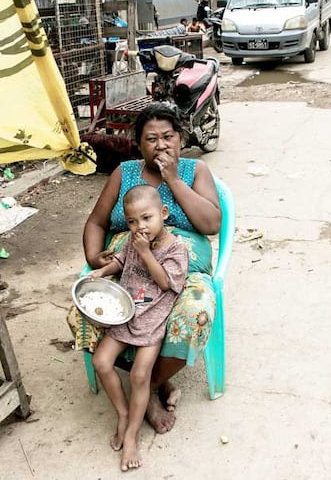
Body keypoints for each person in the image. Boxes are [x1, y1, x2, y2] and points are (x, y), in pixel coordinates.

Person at [68, 103, 221, 435]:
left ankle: (148, 386)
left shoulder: (196, 171)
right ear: (139, 143)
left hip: (182, 274)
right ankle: (149, 384)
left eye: (168, 137)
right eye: (151, 139)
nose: (161, 145)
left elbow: (211, 224)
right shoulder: (126, 173)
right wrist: (96, 260)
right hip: (130, 271)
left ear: (181, 139)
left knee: (195, 313)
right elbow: (96, 221)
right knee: (83, 312)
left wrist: (174, 180)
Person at [89, 185, 189, 472]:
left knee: (140, 374)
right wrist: (102, 270)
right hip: (126, 313)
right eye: (132, 221)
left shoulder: (176, 248)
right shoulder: (132, 242)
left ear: (163, 214)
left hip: (151, 319)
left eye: (146, 218)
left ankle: (132, 434)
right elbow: (120, 260)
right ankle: (122, 414)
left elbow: (164, 282)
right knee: (101, 362)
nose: (139, 227)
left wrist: (145, 253)